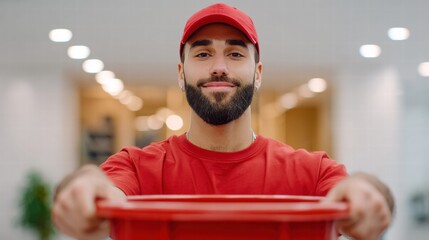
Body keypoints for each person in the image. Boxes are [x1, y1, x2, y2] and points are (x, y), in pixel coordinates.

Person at [52, 3, 394, 240]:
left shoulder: (310, 171)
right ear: (181, 72)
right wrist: (83, 185)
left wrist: (367, 191)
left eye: (235, 53)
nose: (219, 67)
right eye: (202, 53)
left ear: (257, 73)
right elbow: (101, 189)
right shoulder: (139, 168)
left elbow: (360, 195)